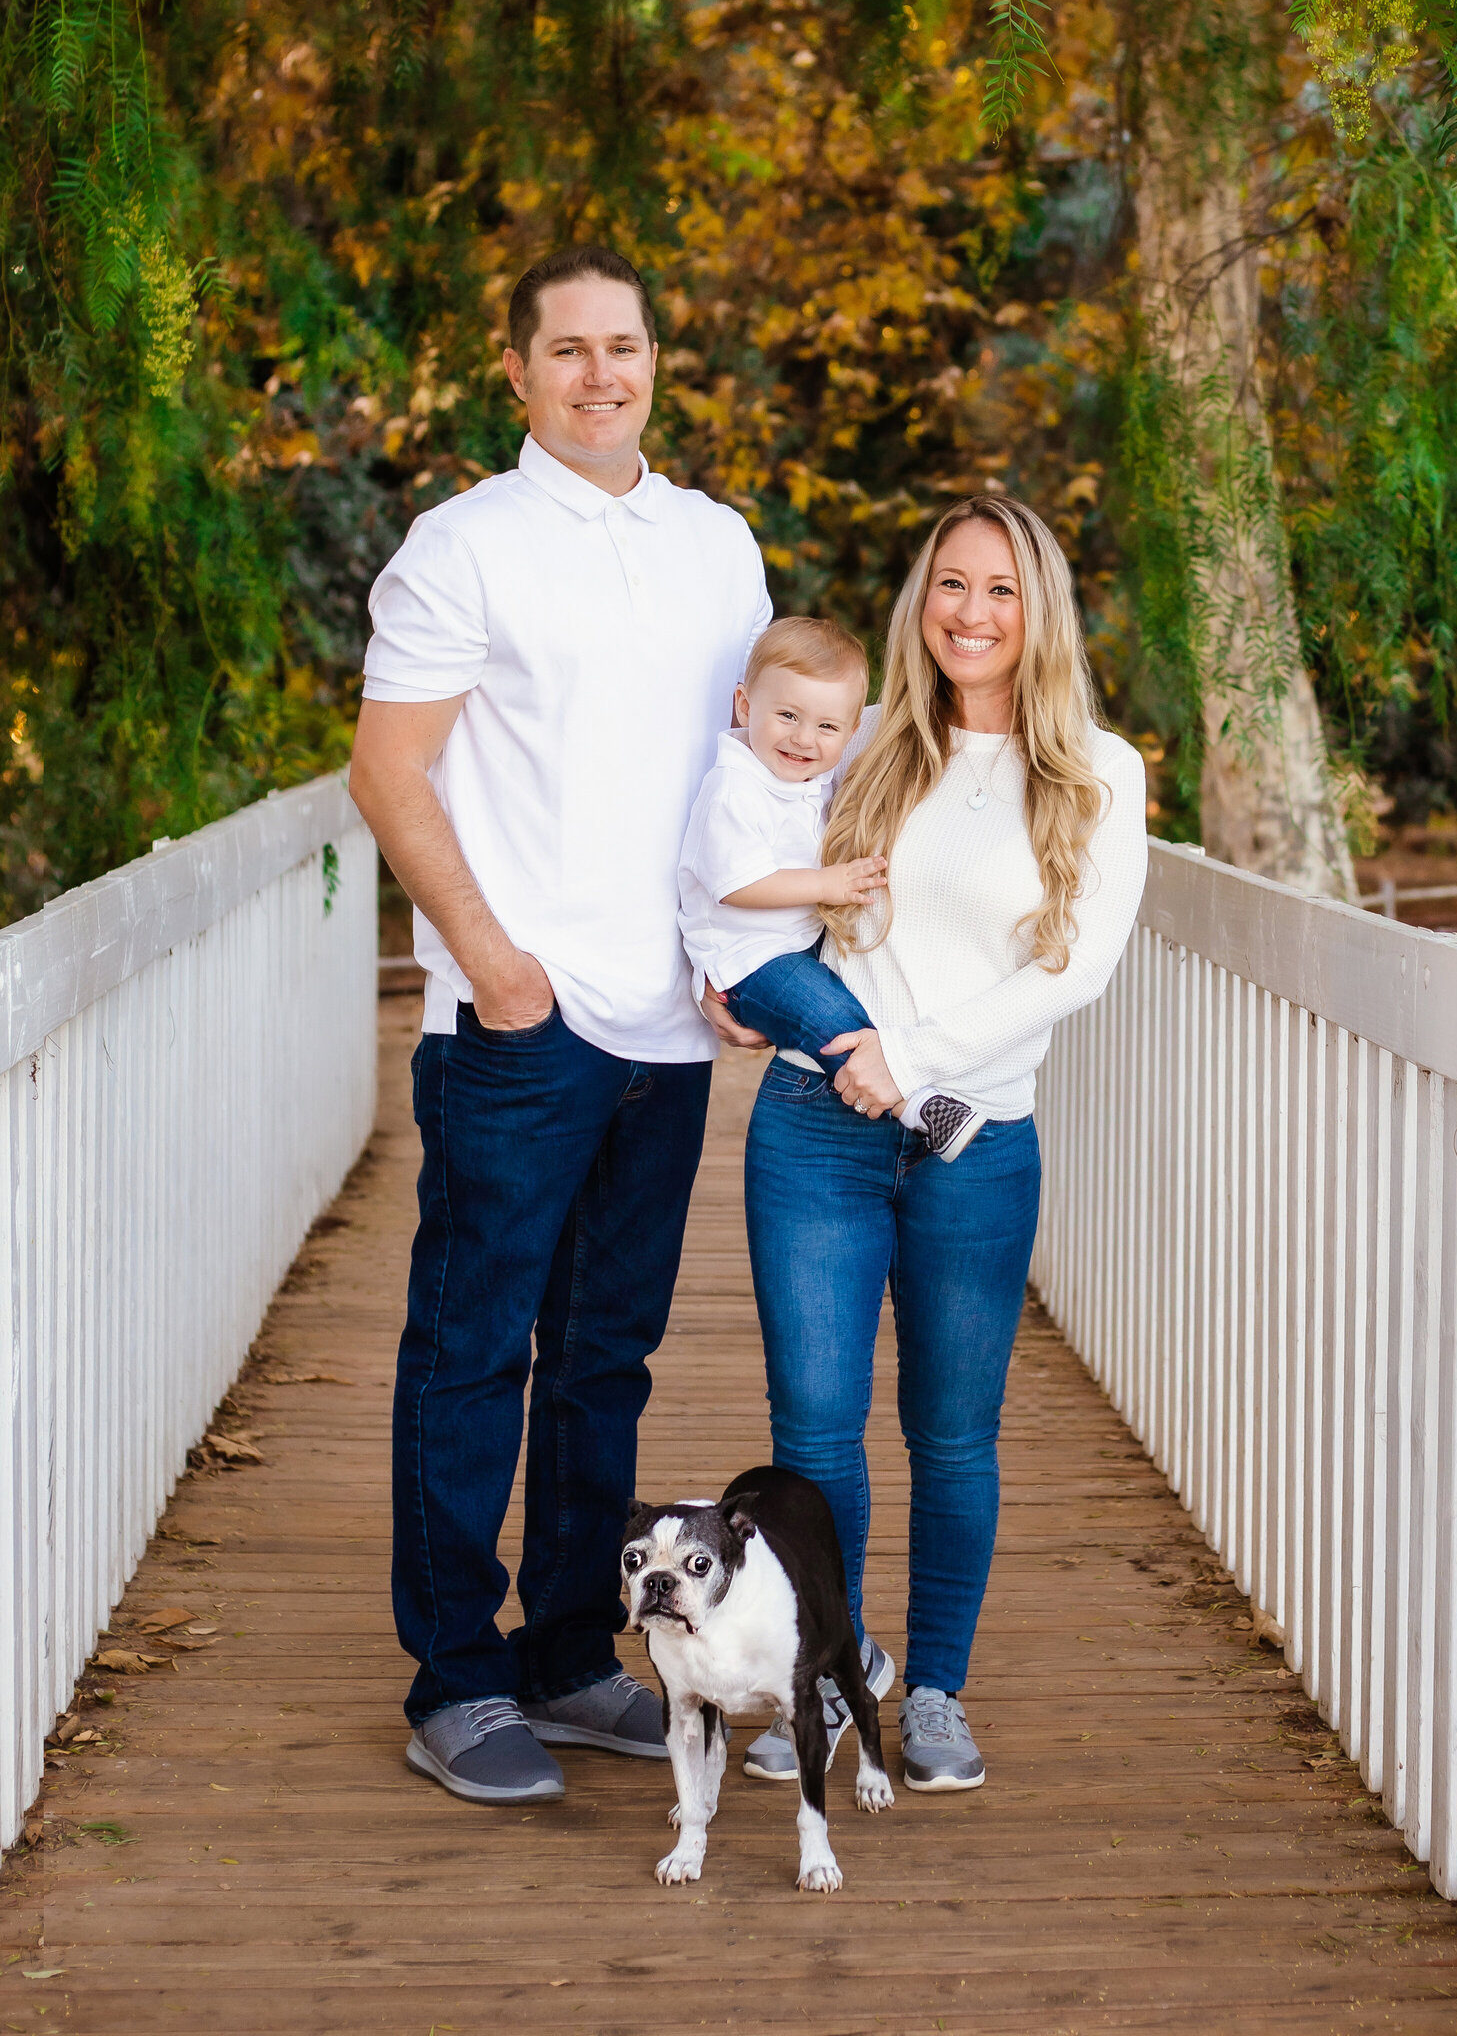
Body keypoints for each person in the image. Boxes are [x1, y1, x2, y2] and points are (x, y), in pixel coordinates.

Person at [348, 244, 770, 1807]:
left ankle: (573, 1654)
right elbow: (389, 774)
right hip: (516, 1025)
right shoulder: (461, 547)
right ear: (516, 373)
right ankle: (455, 1679)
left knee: (607, 1361)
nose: (604, 373)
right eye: (570, 349)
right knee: (470, 1356)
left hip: (668, 1027)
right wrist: (493, 963)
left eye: (629, 347)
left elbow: (748, 781)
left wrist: (744, 958)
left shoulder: (718, 547)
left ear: (659, 363)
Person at [738, 495, 1148, 1792]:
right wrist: (731, 976)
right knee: (813, 1430)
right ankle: (841, 1664)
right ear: (922, 601)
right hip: (815, 1130)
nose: (971, 613)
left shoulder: (1099, 768)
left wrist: (908, 1060)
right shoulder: (855, 744)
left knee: (952, 1436)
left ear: (1041, 614)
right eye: (950, 586)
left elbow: (1074, 969)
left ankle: (939, 1693)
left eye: (1001, 592)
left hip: (977, 1143)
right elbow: (741, 870)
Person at [678, 615, 989, 1166]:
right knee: (829, 1016)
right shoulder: (735, 789)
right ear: (745, 706)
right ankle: (918, 1106)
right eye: (788, 715)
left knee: (845, 1004)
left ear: (850, 736)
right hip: (750, 962)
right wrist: (830, 883)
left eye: (827, 727)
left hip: (792, 948)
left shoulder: (806, 781)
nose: (803, 738)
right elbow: (737, 885)